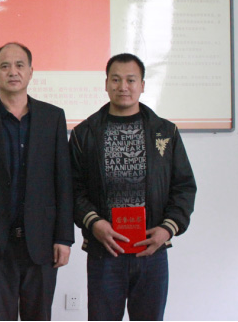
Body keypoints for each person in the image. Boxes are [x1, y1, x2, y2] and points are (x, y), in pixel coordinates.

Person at [70, 53, 197, 321]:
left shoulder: (166, 132)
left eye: (131, 80)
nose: (123, 86)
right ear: (106, 84)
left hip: (151, 251)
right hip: (104, 252)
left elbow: (184, 187)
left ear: (142, 85)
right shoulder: (84, 133)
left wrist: (167, 229)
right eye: (116, 80)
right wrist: (94, 223)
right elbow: (72, 188)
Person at [0, 42, 74, 321]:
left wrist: (64, 237)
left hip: (42, 243)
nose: (13, 71)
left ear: (31, 71)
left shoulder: (53, 117)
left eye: (20, 65)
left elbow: (63, 182)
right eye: (5, 66)